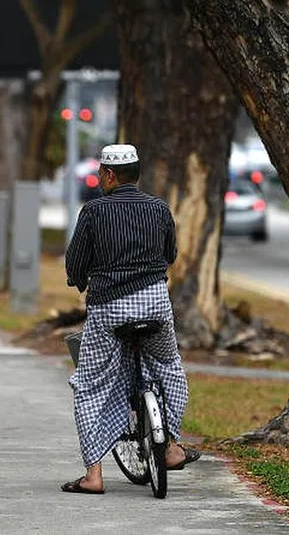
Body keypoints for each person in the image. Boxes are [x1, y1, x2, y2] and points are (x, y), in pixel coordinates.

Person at [61, 144, 200, 494]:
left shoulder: (93, 211)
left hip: (109, 309)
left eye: (99, 174)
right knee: (169, 367)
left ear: (109, 175)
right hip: (155, 305)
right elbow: (170, 253)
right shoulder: (159, 208)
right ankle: (169, 446)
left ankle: (93, 475)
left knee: (90, 384)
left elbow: (75, 261)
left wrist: (79, 279)